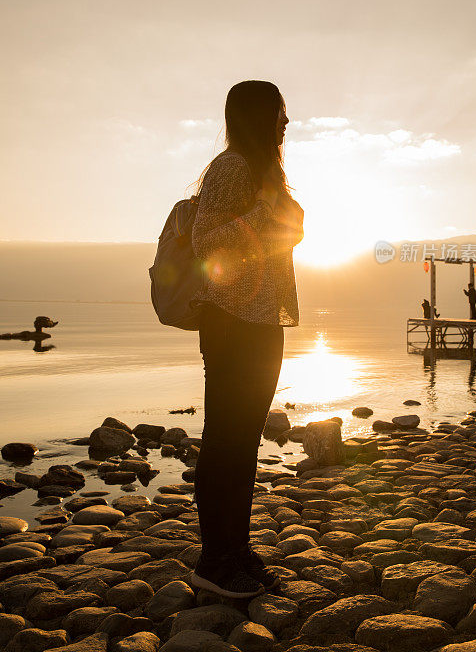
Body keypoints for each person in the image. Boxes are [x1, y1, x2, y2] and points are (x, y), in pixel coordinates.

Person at [189, 80, 304, 599]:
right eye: (280, 111)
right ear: (259, 115)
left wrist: (284, 216)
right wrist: (268, 211)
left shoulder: (264, 171)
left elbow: (281, 237)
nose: (287, 120)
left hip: (263, 320)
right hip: (232, 319)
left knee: (245, 442)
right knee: (225, 441)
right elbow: (206, 244)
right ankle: (214, 558)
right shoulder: (231, 167)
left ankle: (237, 547)